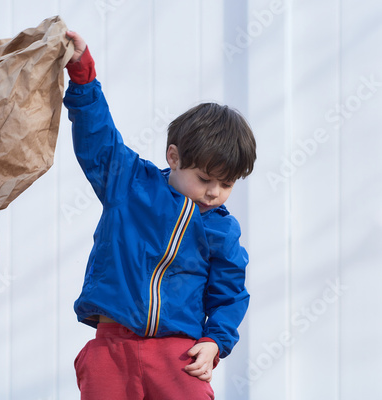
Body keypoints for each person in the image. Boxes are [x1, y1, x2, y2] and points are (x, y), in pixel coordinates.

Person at [64, 30, 256, 400]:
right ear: (173, 157)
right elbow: (99, 140)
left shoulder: (222, 230)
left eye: (227, 184)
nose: (214, 192)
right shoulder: (130, 185)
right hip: (111, 346)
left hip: (177, 353)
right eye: (204, 179)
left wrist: (215, 341)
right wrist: (84, 78)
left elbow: (230, 293)